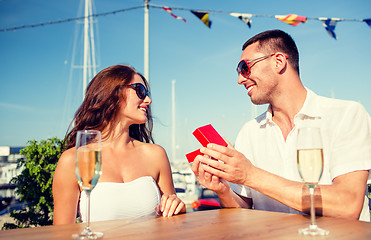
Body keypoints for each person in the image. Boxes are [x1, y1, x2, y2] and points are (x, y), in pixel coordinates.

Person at [192, 29, 371, 221]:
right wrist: (223, 191)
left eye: (244, 67)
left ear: (278, 61)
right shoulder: (249, 132)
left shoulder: (346, 115)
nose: (240, 79)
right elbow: (240, 210)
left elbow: (347, 205)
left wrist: (250, 175)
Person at [53, 65, 186, 225]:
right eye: (140, 91)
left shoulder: (156, 155)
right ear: (113, 92)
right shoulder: (74, 159)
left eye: (147, 94)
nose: (148, 100)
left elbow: (170, 219)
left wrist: (178, 208)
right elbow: (62, 233)